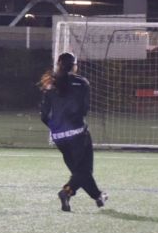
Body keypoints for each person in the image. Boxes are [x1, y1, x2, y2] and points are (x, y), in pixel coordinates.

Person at [38, 51, 107, 212]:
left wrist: (56, 129)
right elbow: (84, 109)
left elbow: (44, 115)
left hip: (59, 137)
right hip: (77, 134)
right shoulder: (82, 83)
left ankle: (96, 196)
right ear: (74, 66)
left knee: (79, 171)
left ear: (58, 65)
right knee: (84, 170)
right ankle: (66, 192)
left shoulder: (50, 84)